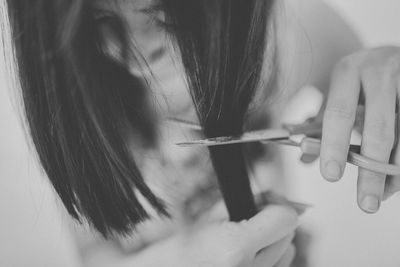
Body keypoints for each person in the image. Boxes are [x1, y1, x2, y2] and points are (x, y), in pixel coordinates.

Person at [3, 0, 399, 266]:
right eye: (100, 21)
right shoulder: (75, 102)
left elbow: (369, 107)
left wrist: (386, 90)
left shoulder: (289, 32)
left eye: (164, 12)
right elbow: (96, 253)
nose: (137, 53)